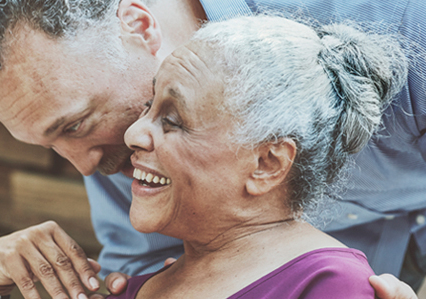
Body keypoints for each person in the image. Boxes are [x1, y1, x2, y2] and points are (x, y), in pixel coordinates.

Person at [0, 0, 426, 299]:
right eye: (50, 142)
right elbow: (149, 269)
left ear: (140, 26)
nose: (85, 165)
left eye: (76, 125)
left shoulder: (390, 14)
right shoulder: (125, 145)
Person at [106, 14, 407, 298]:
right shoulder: (137, 288)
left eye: (172, 121)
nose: (133, 134)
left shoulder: (329, 283)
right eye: (148, 106)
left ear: (267, 164)